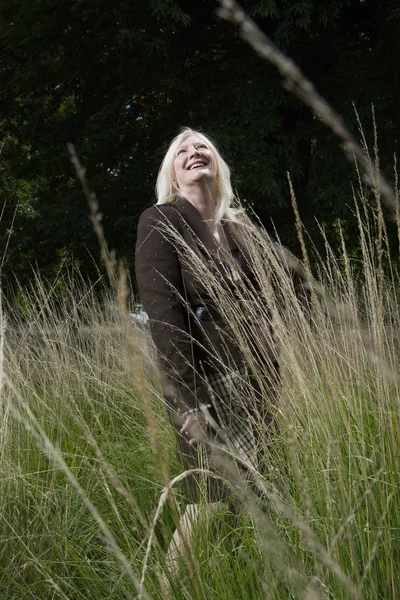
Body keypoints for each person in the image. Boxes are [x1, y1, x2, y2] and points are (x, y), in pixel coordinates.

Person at [135, 128, 280, 568]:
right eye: (183, 151)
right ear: (173, 174)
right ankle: (161, 589)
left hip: (255, 383)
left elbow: (281, 294)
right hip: (205, 385)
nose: (195, 153)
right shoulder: (160, 220)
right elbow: (164, 315)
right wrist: (188, 401)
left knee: (257, 497)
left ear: (218, 165)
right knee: (211, 501)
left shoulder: (240, 229)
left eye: (203, 147)